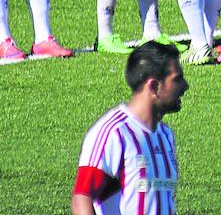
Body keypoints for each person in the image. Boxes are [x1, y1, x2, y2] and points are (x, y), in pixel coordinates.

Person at [72, 41, 188, 215]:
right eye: (177, 80)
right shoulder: (115, 132)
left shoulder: (165, 135)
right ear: (154, 86)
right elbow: (82, 199)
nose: (185, 86)